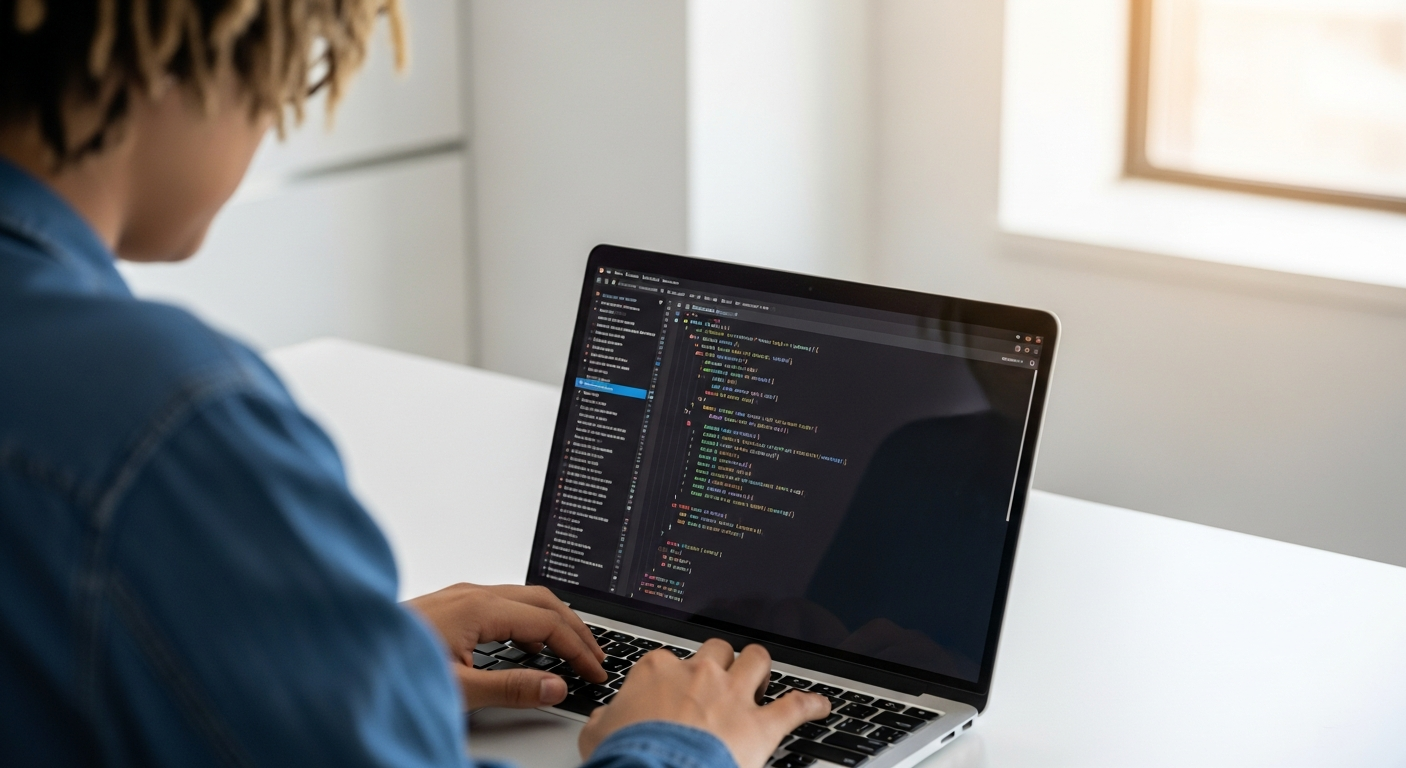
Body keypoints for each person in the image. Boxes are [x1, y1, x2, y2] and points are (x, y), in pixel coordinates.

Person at [0, 1, 829, 765]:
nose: (273, 124)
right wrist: (677, 747)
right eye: (296, 74)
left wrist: (318, 660)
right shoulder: (169, 427)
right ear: (188, 48)